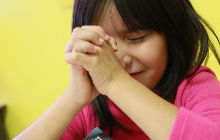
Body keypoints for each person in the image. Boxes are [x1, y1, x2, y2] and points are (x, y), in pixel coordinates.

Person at [14, 0, 220, 140]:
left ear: (171, 34)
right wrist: (73, 98)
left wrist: (115, 80)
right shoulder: (88, 105)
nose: (119, 60)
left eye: (136, 38)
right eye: (103, 45)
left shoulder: (194, 86)